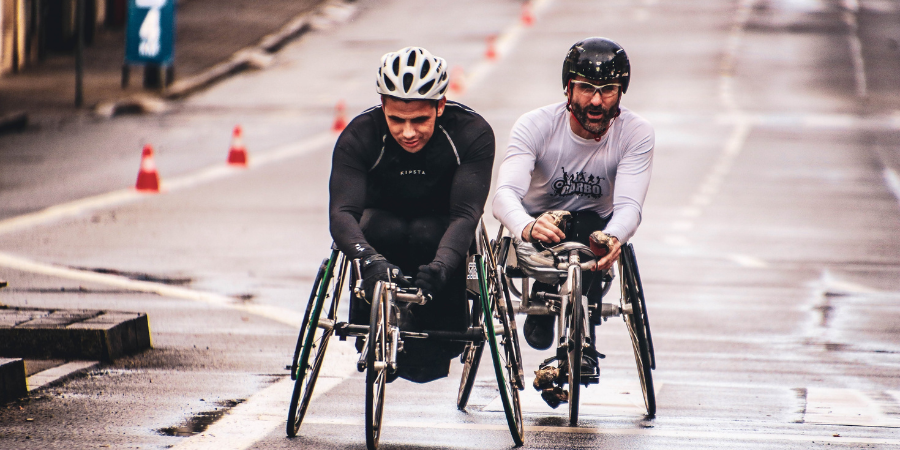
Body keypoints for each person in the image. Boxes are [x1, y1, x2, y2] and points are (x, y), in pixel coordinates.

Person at [329, 47, 495, 383]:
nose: (408, 133)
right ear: (382, 107)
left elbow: (466, 215)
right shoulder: (360, 134)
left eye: (419, 119)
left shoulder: (471, 133)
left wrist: (442, 268)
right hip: (381, 227)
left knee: (426, 232)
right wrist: (369, 260)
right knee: (379, 227)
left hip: (440, 228)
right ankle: (374, 328)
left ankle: (433, 333)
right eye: (396, 120)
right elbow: (342, 212)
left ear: (441, 106)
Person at [492, 37, 654, 383]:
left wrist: (613, 237)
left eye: (608, 89)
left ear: (621, 92)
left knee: (592, 228)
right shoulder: (535, 125)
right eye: (585, 88)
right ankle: (547, 295)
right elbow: (503, 195)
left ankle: (581, 343)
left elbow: (629, 206)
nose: (596, 101)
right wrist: (527, 226)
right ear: (568, 88)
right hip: (537, 231)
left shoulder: (636, 133)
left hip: (592, 231)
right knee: (569, 225)